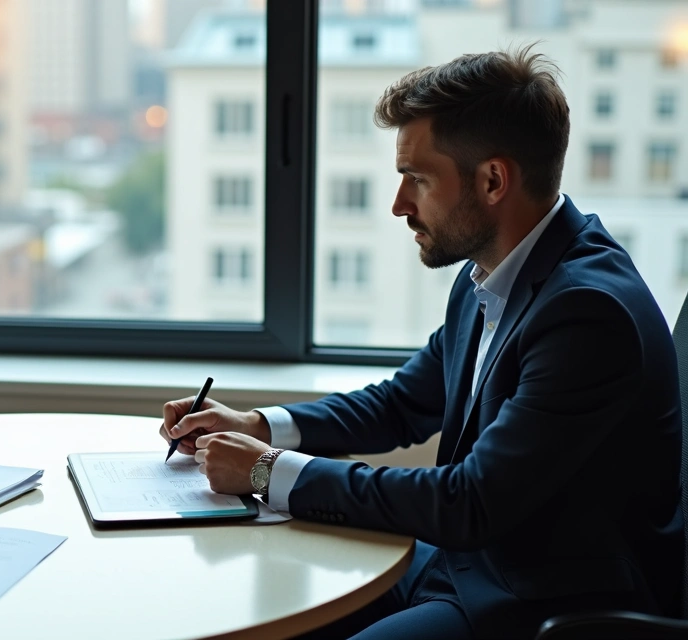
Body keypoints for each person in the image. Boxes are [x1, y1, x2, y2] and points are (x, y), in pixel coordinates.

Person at [161, 46, 682, 639]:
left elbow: (471, 502)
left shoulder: (588, 313)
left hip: (544, 603)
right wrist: (259, 425)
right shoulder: (489, 273)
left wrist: (267, 472)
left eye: (418, 179)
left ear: (492, 180)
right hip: (459, 567)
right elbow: (403, 402)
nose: (399, 205)